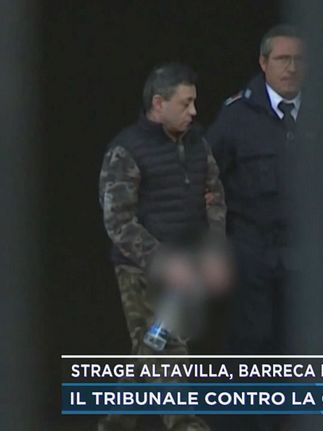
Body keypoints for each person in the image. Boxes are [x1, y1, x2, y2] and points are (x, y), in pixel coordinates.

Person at [97, 63, 225, 431]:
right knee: (168, 348)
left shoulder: (198, 145)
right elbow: (118, 222)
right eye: (185, 103)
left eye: (194, 102)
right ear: (158, 104)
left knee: (152, 346)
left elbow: (214, 195)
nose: (194, 112)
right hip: (142, 270)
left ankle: (116, 422)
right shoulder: (127, 151)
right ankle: (184, 423)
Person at [206, 24, 306, 355]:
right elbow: (206, 176)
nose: (291, 68)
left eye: (298, 59)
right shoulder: (237, 116)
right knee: (254, 342)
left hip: (308, 252)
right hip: (252, 253)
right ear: (264, 63)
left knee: (306, 341)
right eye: (282, 59)